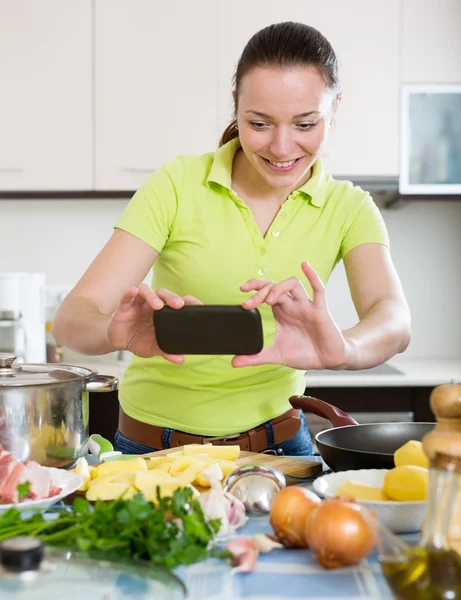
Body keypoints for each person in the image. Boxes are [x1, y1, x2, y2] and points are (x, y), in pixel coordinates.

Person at [53, 22, 411, 457]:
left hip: (280, 449)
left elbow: (392, 318)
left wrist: (343, 347)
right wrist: (115, 333)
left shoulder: (349, 207)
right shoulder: (178, 184)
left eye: (305, 123)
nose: (282, 147)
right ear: (235, 107)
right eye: (259, 123)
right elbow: (72, 320)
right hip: (150, 452)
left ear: (335, 108)